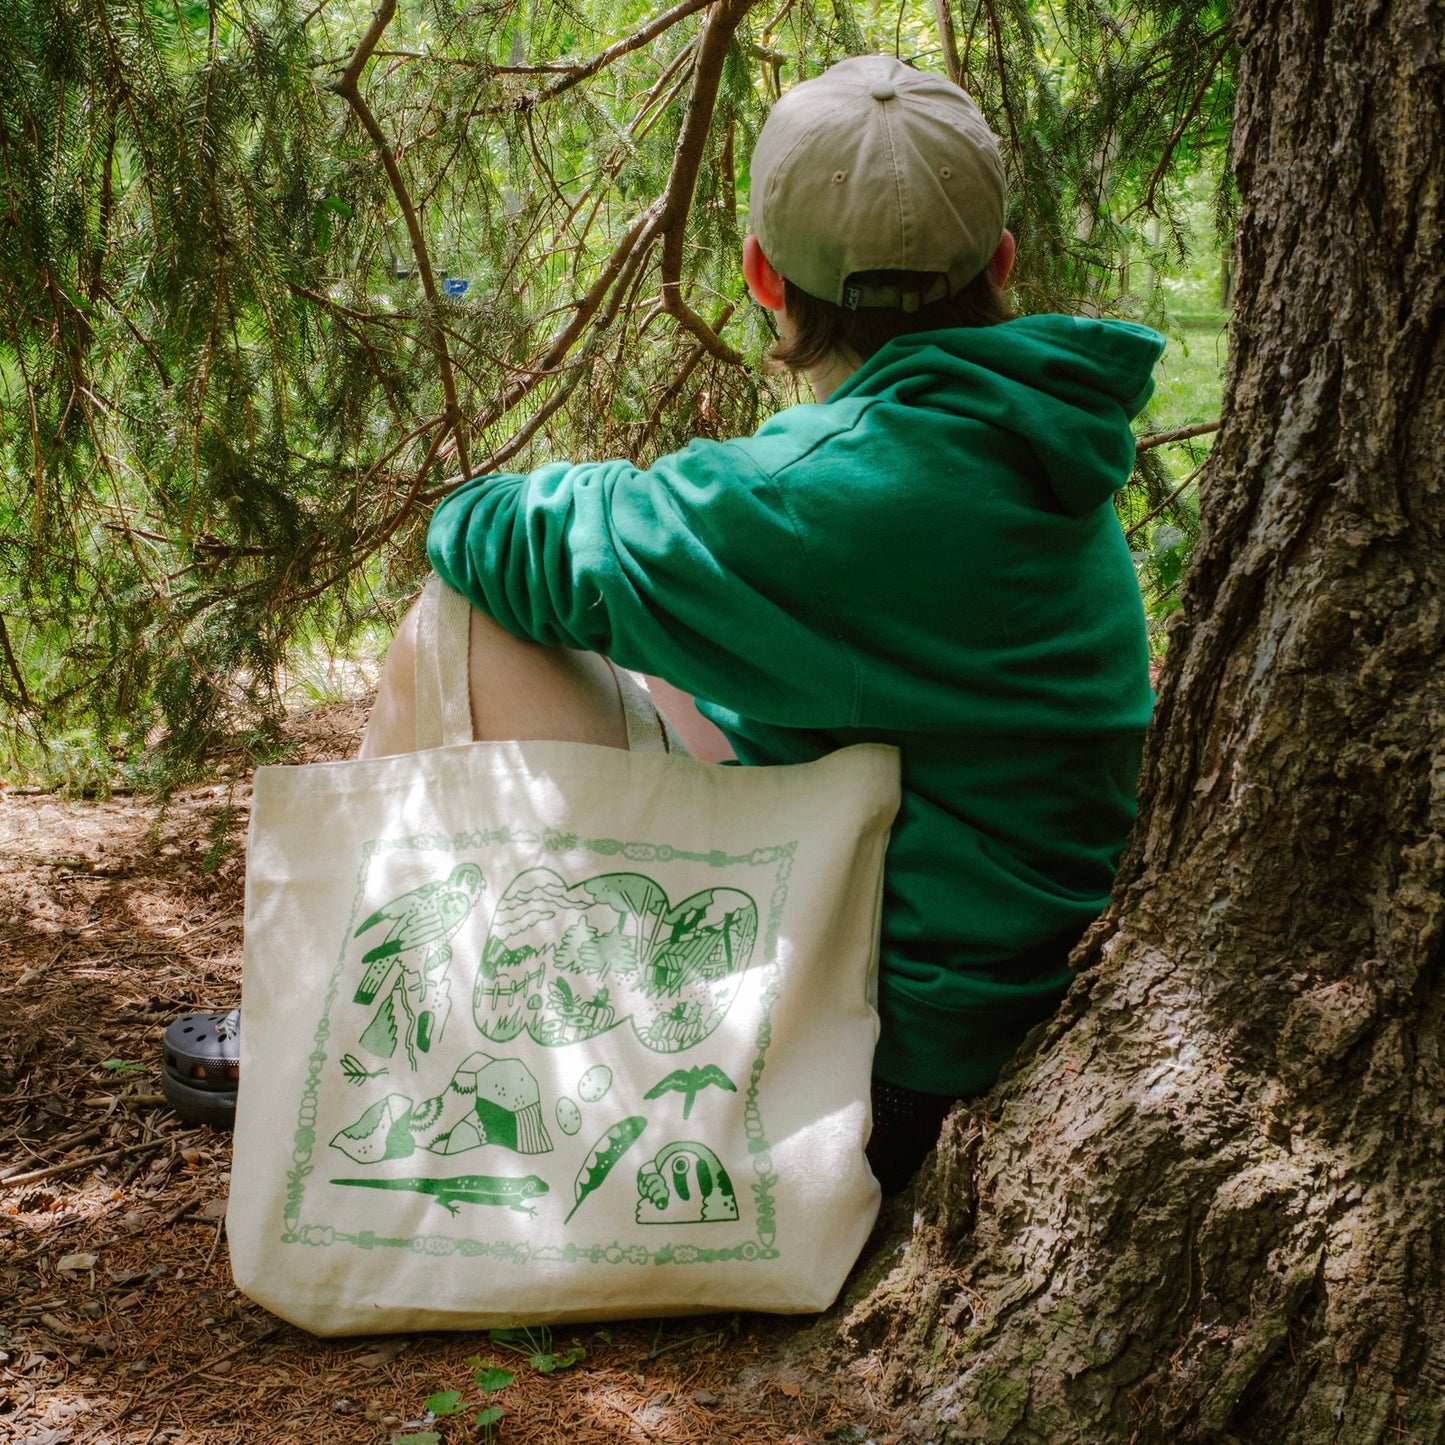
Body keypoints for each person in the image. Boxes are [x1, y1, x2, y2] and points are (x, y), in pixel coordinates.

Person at [165, 55, 1163, 1193]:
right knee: (661, 661)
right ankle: (353, 1000)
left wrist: (599, 496)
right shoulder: (1029, 436)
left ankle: (325, 1016)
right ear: (1000, 262)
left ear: (759, 274)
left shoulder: (818, 492)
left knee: (466, 617)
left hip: (882, 1067)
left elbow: (487, 532)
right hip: (994, 993)